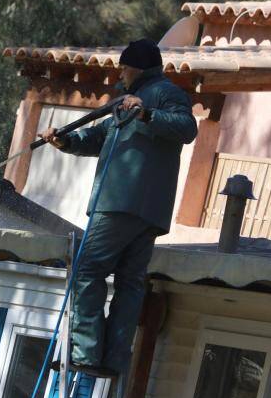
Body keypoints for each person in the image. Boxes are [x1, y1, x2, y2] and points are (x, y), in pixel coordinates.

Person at [39, 39, 197, 377]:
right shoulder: (125, 102)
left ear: (137, 68)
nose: (120, 74)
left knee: (87, 271)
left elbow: (187, 128)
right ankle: (112, 360)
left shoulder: (162, 94)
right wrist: (64, 140)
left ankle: (85, 353)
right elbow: (97, 139)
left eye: (124, 68)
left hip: (118, 203)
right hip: (149, 211)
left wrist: (146, 113)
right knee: (130, 284)